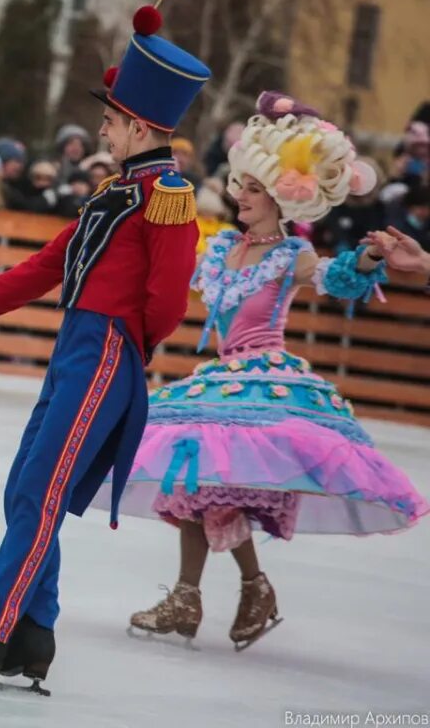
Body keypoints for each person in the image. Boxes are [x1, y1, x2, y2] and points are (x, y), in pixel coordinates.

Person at [0, 0, 208, 692]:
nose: (101, 128)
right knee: (26, 489)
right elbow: (47, 265)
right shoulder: (116, 194)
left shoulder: (167, 199)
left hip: (106, 351)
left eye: (110, 119)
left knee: (39, 493)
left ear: (139, 125)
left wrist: (119, 346)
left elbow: (166, 303)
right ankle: (34, 632)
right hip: (77, 347)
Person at [104, 92, 428, 650]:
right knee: (200, 484)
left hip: (266, 381)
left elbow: (338, 278)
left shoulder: (289, 256)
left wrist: (371, 257)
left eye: (255, 189)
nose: (242, 198)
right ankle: (246, 589)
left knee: (205, 482)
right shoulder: (223, 248)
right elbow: (170, 273)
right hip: (223, 377)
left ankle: (203, 595)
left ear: (282, 196)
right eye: (242, 187)